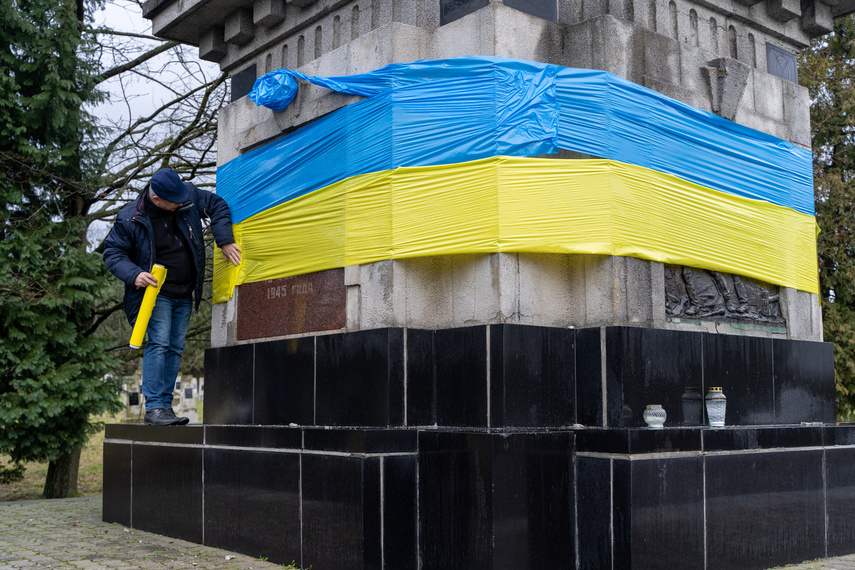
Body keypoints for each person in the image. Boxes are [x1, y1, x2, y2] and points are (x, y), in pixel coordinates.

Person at [103, 168, 242, 425]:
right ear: (157, 199)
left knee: (176, 347)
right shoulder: (130, 218)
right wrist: (134, 274)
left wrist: (224, 239)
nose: (182, 204)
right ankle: (155, 408)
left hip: (185, 291)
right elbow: (112, 254)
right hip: (156, 293)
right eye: (174, 202)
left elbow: (218, 205)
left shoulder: (186, 194)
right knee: (159, 343)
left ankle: (165, 408)